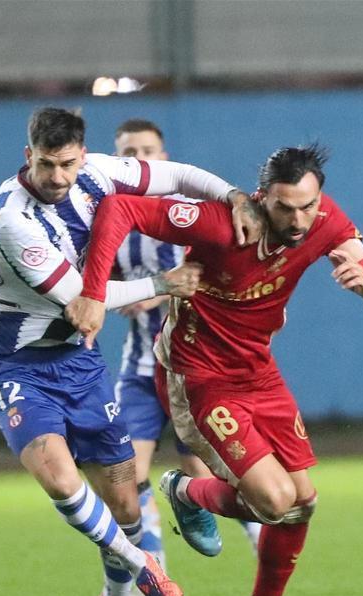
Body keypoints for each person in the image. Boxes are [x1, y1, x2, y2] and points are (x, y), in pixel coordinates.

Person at [68, 144, 363, 596]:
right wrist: (94, 291)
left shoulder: (326, 220)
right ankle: (185, 490)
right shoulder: (222, 224)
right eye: (285, 207)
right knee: (274, 500)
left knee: (302, 503)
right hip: (197, 375)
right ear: (262, 197)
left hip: (259, 373)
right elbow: (121, 207)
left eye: (307, 206)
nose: (298, 219)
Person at [0, 107, 261, 596]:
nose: (57, 178)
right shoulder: (12, 221)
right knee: (62, 480)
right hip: (20, 367)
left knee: (126, 501)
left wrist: (233, 196)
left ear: (82, 156)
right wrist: (165, 282)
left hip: (80, 365)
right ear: (27, 157)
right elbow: (81, 300)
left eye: (66, 164)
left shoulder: (99, 174)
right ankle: (142, 565)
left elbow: (175, 175)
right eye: (45, 165)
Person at [110, 119, 261, 568]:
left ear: (164, 156)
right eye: (128, 152)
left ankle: (261, 537)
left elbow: (210, 279)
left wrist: (154, 290)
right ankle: (152, 558)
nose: (138, 159)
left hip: (191, 369)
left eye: (147, 150)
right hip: (139, 367)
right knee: (126, 475)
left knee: (206, 473)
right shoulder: (107, 216)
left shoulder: (189, 212)